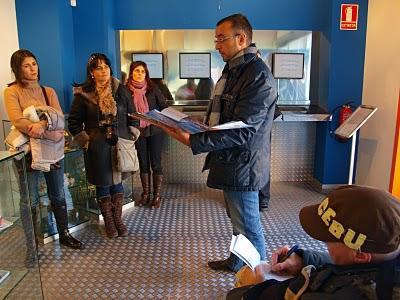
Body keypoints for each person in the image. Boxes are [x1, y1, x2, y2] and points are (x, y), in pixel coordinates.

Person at [163, 14, 277, 272]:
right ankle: (237, 261)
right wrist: (198, 123)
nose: (216, 45)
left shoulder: (257, 75)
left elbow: (245, 130)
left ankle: (260, 281)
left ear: (241, 38)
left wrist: (196, 139)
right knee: (237, 222)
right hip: (230, 160)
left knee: (249, 226)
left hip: (243, 164)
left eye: (221, 39)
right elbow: (228, 118)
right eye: (216, 39)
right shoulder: (235, 70)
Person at [226, 185, 400, 299]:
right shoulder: (386, 253)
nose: (324, 243)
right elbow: (349, 266)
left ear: (360, 255)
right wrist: (304, 259)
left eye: (329, 239)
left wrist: (255, 289)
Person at [3, 49, 83, 252]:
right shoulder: (11, 91)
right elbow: (17, 121)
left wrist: (43, 126)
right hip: (27, 154)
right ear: (17, 69)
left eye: (34, 64)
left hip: (52, 152)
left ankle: (64, 234)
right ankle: (31, 244)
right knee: (29, 198)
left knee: (57, 194)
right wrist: (47, 130)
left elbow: (59, 119)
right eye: (26, 65)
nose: (32, 69)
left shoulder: (48, 91)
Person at [68, 53, 140, 238]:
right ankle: (108, 222)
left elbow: (132, 114)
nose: (104, 70)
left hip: (120, 144)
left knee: (118, 184)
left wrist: (132, 132)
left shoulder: (120, 89)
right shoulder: (83, 94)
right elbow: (74, 123)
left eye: (106, 66)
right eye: (99, 67)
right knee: (103, 184)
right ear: (91, 72)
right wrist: (87, 141)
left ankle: (118, 220)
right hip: (98, 147)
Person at [126, 61, 168, 208]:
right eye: (136, 71)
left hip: (155, 130)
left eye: (142, 71)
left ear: (146, 74)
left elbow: (164, 106)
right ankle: (146, 194)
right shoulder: (125, 90)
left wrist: (157, 116)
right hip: (138, 132)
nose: (139, 74)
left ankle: (156, 195)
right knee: (143, 163)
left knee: (155, 163)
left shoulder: (153, 88)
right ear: (131, 72)